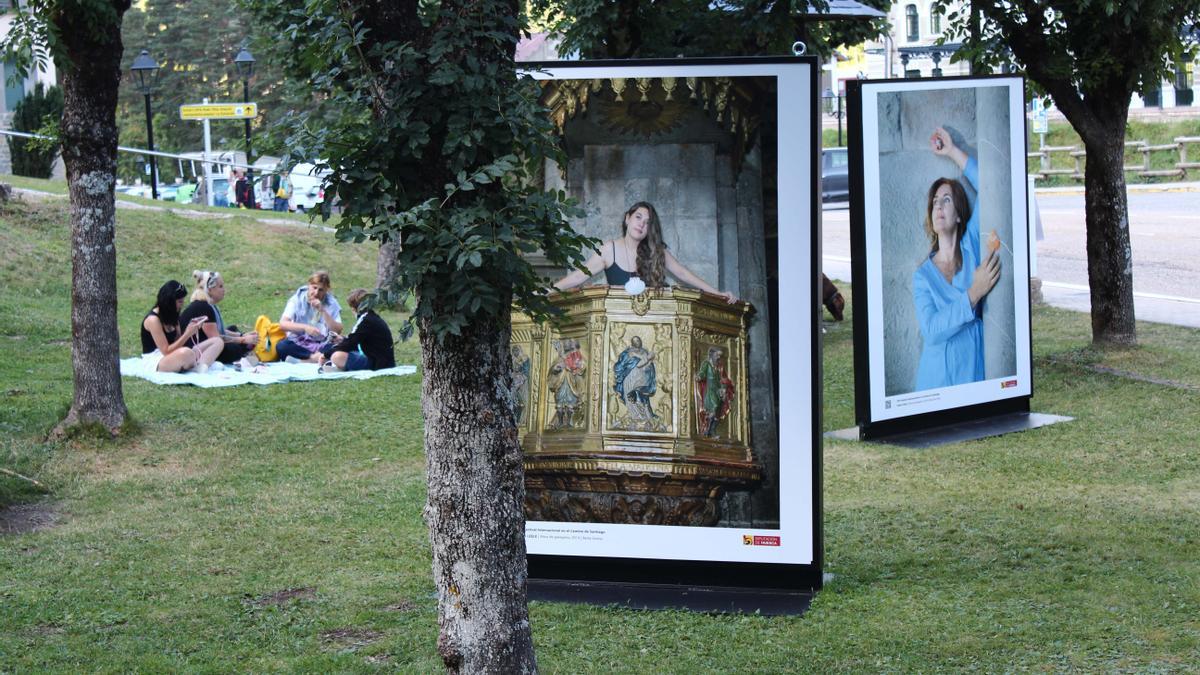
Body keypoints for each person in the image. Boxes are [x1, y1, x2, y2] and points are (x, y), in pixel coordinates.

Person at [912, 126, 1001, 391]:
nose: (938, 205)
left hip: (973, 380)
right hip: (934, 385)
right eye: (935, 201)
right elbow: (931, 330)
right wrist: (974, 293)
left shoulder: (972, 246)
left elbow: (992, 188)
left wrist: (952, 152)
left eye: (947, 200)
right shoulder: (923, 276)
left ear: (959, 214)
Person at [553, 201, 737, 303]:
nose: (641, 224)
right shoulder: (609, 249)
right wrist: (546, 291)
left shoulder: (656, 252)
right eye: (638, 217)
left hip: (651, 321)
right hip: (618, 322)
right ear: (627, 219)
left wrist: (717, 293)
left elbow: (683, 273)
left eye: (647, 222)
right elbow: (578, 277)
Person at [140, 280, 223, 373]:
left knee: (217, 341)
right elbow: (166, 351)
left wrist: (192, 328)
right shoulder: (153, 320)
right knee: (186, 353)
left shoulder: (173, 315)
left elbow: (178, 342)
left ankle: (201, 366)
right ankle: (198, 365)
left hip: (175, 355)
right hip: (155, 360)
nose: (182, 305)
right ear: (169, 302)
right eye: (179, 302)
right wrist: (187, 334)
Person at [179, 269, 259, 365]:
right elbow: (217, 339)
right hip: (194, 351)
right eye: (220, 286)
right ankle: (246, 351)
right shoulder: (203, 307)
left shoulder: (209, 304)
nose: (224, 289)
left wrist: (242, 335)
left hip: (205, 343)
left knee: (233, 328)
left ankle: (246, 347)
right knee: (233, 349)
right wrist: (242, 340)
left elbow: (219, 331)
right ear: (210, 289)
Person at [316, 289, 395, 372]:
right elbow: (355, 340)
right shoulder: (372, 318)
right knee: (337, 349)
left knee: (337, 356)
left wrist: (325, 355)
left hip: (377, 364)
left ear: (354, 308)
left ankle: (340, 368)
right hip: (384, 361)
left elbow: (350, 344)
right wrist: (342, 340)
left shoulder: (365, 320)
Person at [276, 270, 344, 362]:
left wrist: (322, 310)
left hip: (322, 343)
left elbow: (338, 330)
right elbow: (283, 324)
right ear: (309, 285)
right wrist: (305, 328)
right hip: (299, 343)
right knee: (282, 346)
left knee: (340, 345)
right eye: (314, 288)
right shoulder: (297, 299)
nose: (316, 293)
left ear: (326, 290)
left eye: (321, 290)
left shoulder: (331, 303)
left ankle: (305, 361)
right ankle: (316, 359)